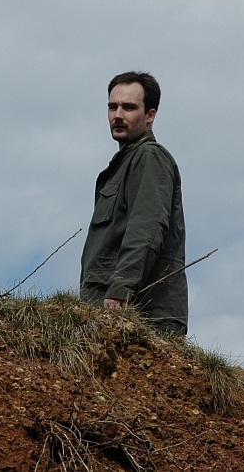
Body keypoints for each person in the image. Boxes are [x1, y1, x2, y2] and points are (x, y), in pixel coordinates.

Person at [80, 71, 188, 334]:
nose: (118, 115)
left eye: (128, 107)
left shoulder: (149, 157)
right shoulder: (123, 165)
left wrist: (121, 289)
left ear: (150, 115)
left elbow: (147, 228)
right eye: (112, 107)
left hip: (143, 317)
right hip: (111, 311)